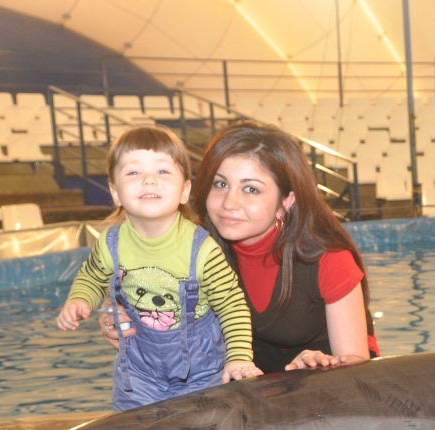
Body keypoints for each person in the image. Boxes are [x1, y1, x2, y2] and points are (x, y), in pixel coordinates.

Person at [101, 121, 379, 373]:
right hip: (249, 386)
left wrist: (316, 366)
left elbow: (356, 366)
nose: (229, 203)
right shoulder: (192, 247)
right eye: (220, 184)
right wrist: (114, 315)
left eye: (251, 189)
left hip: (327, 387)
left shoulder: (328, 259)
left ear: (285, 202)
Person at [59, 125, 261, 411]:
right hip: (139, 372)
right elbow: (91, 277)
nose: (149, 180)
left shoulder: (202, 250)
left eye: (163, 171)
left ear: (185, 190)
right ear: (115, 192)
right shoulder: (110, 244)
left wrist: (239, 357)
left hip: (202, 372)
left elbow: (231, 305)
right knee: (135, 428)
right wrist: (79, 300)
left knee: (204, 426)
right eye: (133, 172)